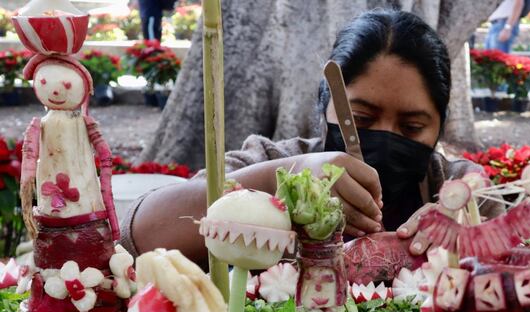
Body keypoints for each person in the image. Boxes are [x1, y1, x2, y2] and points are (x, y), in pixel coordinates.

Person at [121, 10, 502, 267]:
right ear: (325, 108)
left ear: (440, 125)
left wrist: (467, 225)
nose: (386, 137)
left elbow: (518, 264)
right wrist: (289, 176)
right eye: (362, 118)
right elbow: (140, 234)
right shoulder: (269, 159)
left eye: (413, 127)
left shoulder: (454, 187)